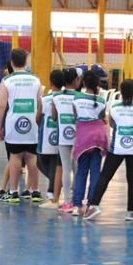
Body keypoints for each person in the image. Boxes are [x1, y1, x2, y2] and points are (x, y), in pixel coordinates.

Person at [84, 80, 133, 221]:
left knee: (105, 176)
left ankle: (93, 206)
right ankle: (130, 212)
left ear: (121, 91)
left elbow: (112, 124)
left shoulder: (114, 108)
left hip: (117, 147)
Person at [0, 49, 41, 204]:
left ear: (12, 63)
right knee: (32, 157)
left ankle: (14, 192)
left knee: (14, 157)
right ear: (26, 63)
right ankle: (35, 191)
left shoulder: (7, 81)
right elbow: (40, 104)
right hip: (32, 123)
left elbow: (1, 106)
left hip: (13, 124)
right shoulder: (36, 80)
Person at [71, 71, 108, 216]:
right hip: (98, 137)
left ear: (84, 82)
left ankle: (77, 205)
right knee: (95, 172)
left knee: (81, 172)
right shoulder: (101, 100)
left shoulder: (76, 97)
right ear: (98, 84)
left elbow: (76, 114)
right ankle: (92, 204)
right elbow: (102, 117)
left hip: (83, 138)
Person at [51, 67, 79, 211]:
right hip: (78, 138)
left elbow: (54, 117)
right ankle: (77, 200)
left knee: (66, 169)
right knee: (77, 169)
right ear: (76, 81)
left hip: (63, 137)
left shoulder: (55, 96)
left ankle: (67, 201)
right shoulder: (80, 97)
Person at [37, 70, 63, 209]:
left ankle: (53, 188)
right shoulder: (67, 98)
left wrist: (39, 125)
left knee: (40, 163)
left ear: (50, 83)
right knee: (55, 165)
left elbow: (37, 118)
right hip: (61, 137)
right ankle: (56, 184)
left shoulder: (44, 98)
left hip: (46, 136)